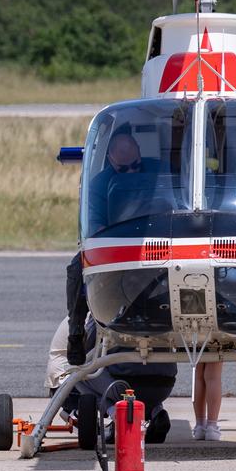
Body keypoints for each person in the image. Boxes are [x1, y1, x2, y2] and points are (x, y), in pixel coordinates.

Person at [66, 130, 158, 365]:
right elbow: (96, 229)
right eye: (124, 169)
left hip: (158, 241)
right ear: (110, 161)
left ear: (139, 152)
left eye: (136, 165)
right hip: (121, 244)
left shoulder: (159, 171)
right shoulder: (99, 185)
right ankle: (75, 333)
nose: (132, 172)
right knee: (77, 266)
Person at [45, 317, 174, 444]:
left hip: (123, 387)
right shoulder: (167, 312)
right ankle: (156, 411)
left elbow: (87, 349)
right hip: (164, 385)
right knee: (146, 377)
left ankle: (114, 413)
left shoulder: (98, 311)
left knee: (77, 370)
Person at [192, 360, 223, 441]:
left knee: (198, 376)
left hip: (194, 348)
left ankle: (200, 425)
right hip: (213, 347)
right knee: (213, 376)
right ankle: (212, 426)